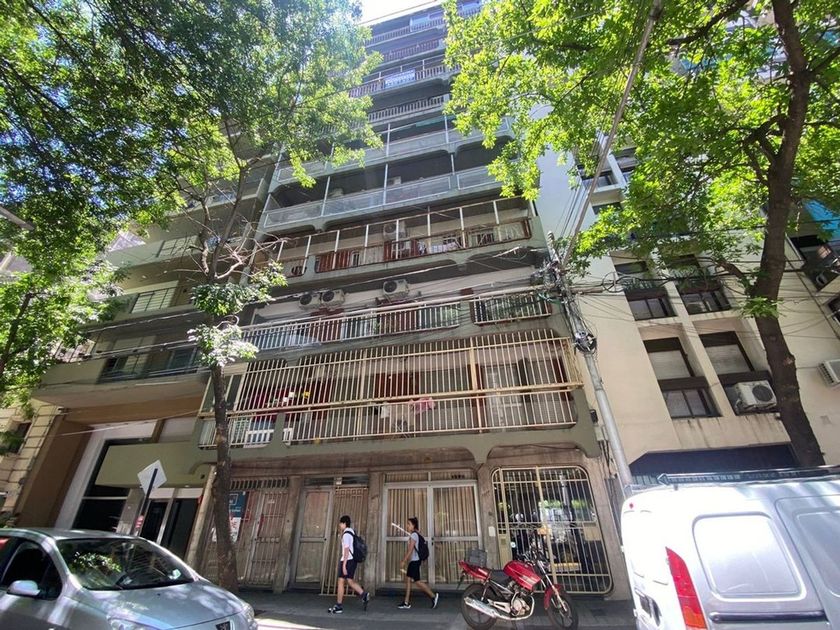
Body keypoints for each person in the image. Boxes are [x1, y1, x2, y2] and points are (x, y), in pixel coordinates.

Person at [328, 515, 370, 614]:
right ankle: (364, 595)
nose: (339, 525)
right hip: (352, 561)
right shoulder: (352, 532)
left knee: (341, 581)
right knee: (350, 581)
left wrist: (344, 565)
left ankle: (338, 606)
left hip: (347, 560)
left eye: (340, 523)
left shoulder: (346, 534)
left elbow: (346, 550)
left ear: (344, 523)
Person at [398, 517, 439, 610]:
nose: (407, 526)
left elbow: (410, 550)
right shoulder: (416, 534)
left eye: (409, 524)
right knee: (409, 580)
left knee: (417, 581)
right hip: (415, 561)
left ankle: (433, 596)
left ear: (413, 525)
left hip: (414, 561)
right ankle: (406, 602)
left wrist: (404, 561)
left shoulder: (414, 535)